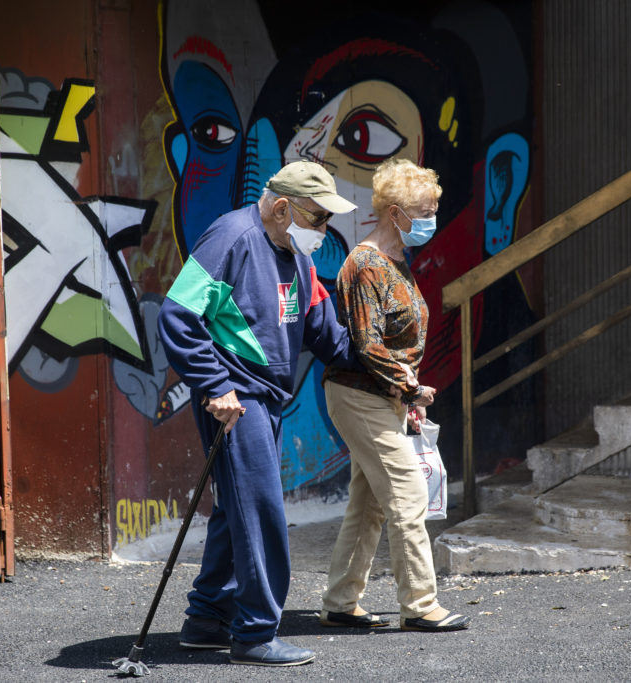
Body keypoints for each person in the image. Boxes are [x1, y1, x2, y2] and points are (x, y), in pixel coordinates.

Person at [157, 160, 360, 667]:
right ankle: (255, 634)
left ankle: (206, 620)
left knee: (236, 508)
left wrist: (382, 366)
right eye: (319, 219)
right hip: (236, 401)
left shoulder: (297, 254)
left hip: (266, 397)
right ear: (284, 207)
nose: (324, 231)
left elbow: (322, 330)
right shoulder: (233, 237)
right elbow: (179, 315)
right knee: (263, 510)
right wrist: (215, 384)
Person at [319, 158, 470, 633]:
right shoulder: (365, 264)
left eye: (432, 209)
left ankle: (341, 601)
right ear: (395, 212)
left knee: (369, 503)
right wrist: (410, 388)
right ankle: (421, 606)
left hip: (382, 396)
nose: (430, 220)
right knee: (407, 494)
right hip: (359, 394)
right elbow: (368, 345)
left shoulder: (397, 261)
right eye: (423, 211)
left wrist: (404, 398)